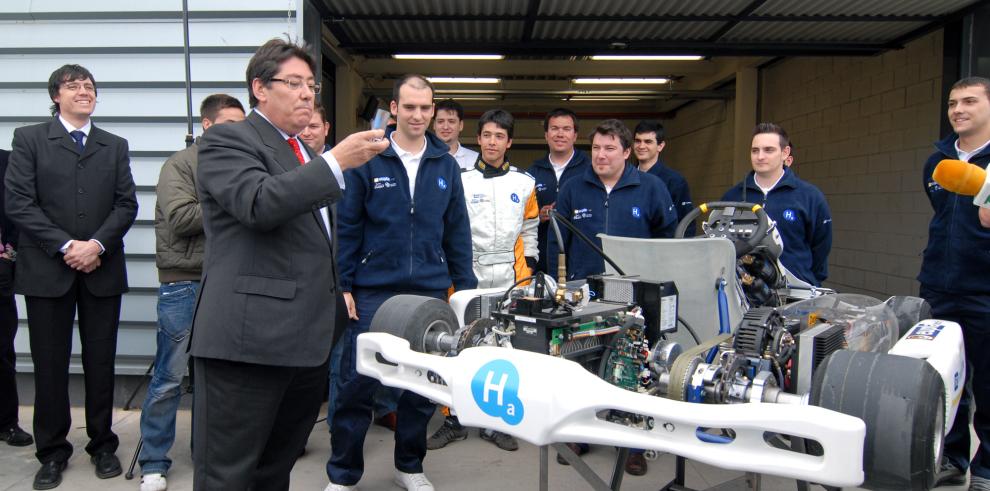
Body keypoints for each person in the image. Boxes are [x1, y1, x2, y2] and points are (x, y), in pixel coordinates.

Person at [189, 38, 387, 490]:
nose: (306, 94)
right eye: (293, 83)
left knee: (275, 469)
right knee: (228, 474)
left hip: (303, 346)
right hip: (246, 345)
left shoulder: (305, 155)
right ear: (260, 88)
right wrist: (337, 161)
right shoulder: (228, 140)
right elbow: (257, 203)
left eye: (311, 85)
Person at [327, 74, 476, 491]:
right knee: (356, 386)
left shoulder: (445, 164)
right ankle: (342, 475)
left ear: (433, 111)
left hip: (428, 292)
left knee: (421, 387)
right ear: (394, 109)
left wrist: (465, 291)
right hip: (374, 291)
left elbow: (457, 232)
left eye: (425, 108)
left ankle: (409, 466)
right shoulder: (368, 158)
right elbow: (348, 227)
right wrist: (344, 285)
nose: (418, 115)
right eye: (409, 107)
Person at [5, 64, 138, 490]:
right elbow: (20, 203)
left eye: (90, 86)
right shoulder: (29, 140)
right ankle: (52, 450)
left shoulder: (114, 145)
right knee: (49, 364)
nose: (84, 91)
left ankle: (102, 444)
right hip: (47, 270)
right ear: (56, 96)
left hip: (101, 268)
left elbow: (125, 204)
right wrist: (67, 246)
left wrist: (96, 246)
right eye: (73, 86)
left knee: (101, 362)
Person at [548, 119, 676, 467]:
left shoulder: (650, 188)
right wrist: (555, 284)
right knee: (579, 363)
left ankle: (632, 444)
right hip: (584, 295)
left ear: (626, 152)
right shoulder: (574, 188)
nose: (600, 156)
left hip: (636, 296)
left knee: (633, 367)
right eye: (596, 149)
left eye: (609, 149)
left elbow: (668, 240)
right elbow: (556, 241)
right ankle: (580, 435)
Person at [136, 94, 245, 491]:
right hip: (184, 282)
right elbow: (181, 218)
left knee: (213, 378)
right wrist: (234, 202)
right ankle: (153, 461)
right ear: (208, 125)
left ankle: (208, 455)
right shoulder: (180, 165)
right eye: (229, 123)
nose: (238, 130)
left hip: (226, 279)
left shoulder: (240, 164)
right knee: (168, 377)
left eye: (242, 122)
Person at [426, 109, 535, 453]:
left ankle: (494, 422)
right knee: (457, 345)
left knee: (504, 347)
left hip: (510, 276)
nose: (492, 142)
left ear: (509, 142)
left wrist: (528, 266)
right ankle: (453, 418)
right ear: (479, 139)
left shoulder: (525, 182)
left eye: (499, 136)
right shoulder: (460, 178)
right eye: (487, 135)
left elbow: (530, 229)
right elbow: (445, 226)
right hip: (467, 274)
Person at [921, 76, 990, 491]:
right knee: (945, 382)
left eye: (969, 101)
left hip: (985, 289)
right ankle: (952, 456)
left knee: (989, 382)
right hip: (939, 285)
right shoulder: (937, 161)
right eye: (952, 103)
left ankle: (986, 470)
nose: (958, 109)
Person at [721, 123, 831, 287]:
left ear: (785, 153)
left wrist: (806, 279)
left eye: (768, 150)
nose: (760, 156)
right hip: (744, 294)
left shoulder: (810, 197)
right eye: (755, 150)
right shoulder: (732, 197)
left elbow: (821, 247)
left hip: (795, 293)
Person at [529, 108, 591, 274]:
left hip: (579, 262)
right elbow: (522, 217)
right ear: (546, 135)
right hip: (542, 261)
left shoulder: (590, 170)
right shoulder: (533, 172)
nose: (560, 134)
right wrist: (538, 216)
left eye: (566, 129)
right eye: (554, 128)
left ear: (575, 135)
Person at [0, 148, 32, 450]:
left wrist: (9, 254)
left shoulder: (6, 161)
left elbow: (18, 210)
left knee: (2, 350)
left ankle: (6, 422)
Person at [633, 120, 694, 236]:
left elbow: (687, 223)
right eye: (637, 141)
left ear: (660, 146)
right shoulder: (625, 178)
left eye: (648, 142)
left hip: (661, 249)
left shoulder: (675, 181)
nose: (641, 146)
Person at [433, 99, 478, 170]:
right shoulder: (422, 157)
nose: (445, 127)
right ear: (434, 125)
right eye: (440, 121)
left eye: (451, 121)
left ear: (461, 125)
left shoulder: (476, 160)